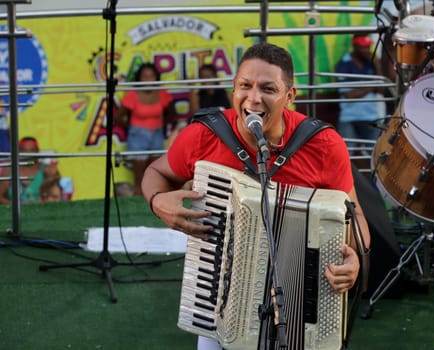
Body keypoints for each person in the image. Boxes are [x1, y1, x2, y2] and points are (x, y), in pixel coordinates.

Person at [141, 42, 371, 350]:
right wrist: (157, 201)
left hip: (301, 296)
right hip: (220, 292)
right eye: (244, 86)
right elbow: (156, 172)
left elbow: (354, 217)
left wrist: (355, 258)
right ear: (233, 88)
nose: (253, 98)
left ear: (290, 96)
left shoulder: (324, 145)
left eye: (268, 89)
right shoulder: (204, 135)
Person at [116, 62, 176, 196]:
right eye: (144, 76)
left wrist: (160, 124)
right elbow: (119, 117)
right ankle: (137, 199)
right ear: (139, 79)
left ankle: (153, 200)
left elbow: (172, 113)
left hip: (157, 134)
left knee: (155, 173)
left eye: (151, 76)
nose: (148, 79)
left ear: (156, 77)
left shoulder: (162, 93)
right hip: (137, 135)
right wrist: (133, 129)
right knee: (139, 175)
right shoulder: (132, 95)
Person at [334, 34, 385, 141]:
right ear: (355, 46)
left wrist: (377, 65)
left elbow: (381, 90)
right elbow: (349, 95)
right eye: (363, 47)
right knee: (347, 154)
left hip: (371, 117)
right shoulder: (344, 64)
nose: (367, 50)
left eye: (368, 46)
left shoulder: (371, 62)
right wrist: (372, 86)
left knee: (373, 153)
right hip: (349, 117)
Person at [0, 136, 61, 204]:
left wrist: (51, 178)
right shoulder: (9, 170)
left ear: (37, 151)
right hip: (15, 212)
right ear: (18, 151)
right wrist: (15, 206)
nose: (28, 154)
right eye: (24, 150)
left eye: (32, 150)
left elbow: (58, 196)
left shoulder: (47, 170)